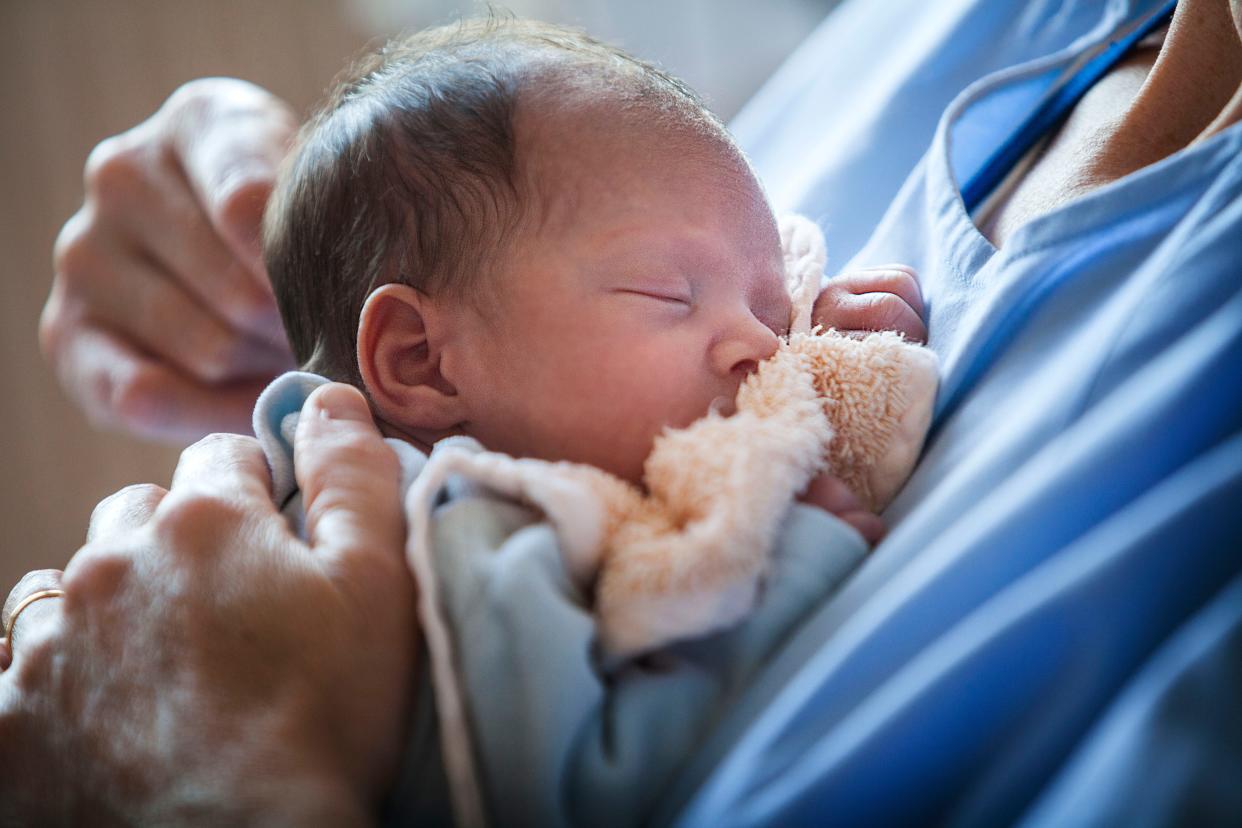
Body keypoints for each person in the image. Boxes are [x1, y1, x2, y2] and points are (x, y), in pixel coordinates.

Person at [6, 0, 1241, 824]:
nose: (765, 344)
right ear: (422, 364)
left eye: (778, 298)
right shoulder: (469, 539)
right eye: (672, 293)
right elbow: (596, 771)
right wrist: (805, 535)